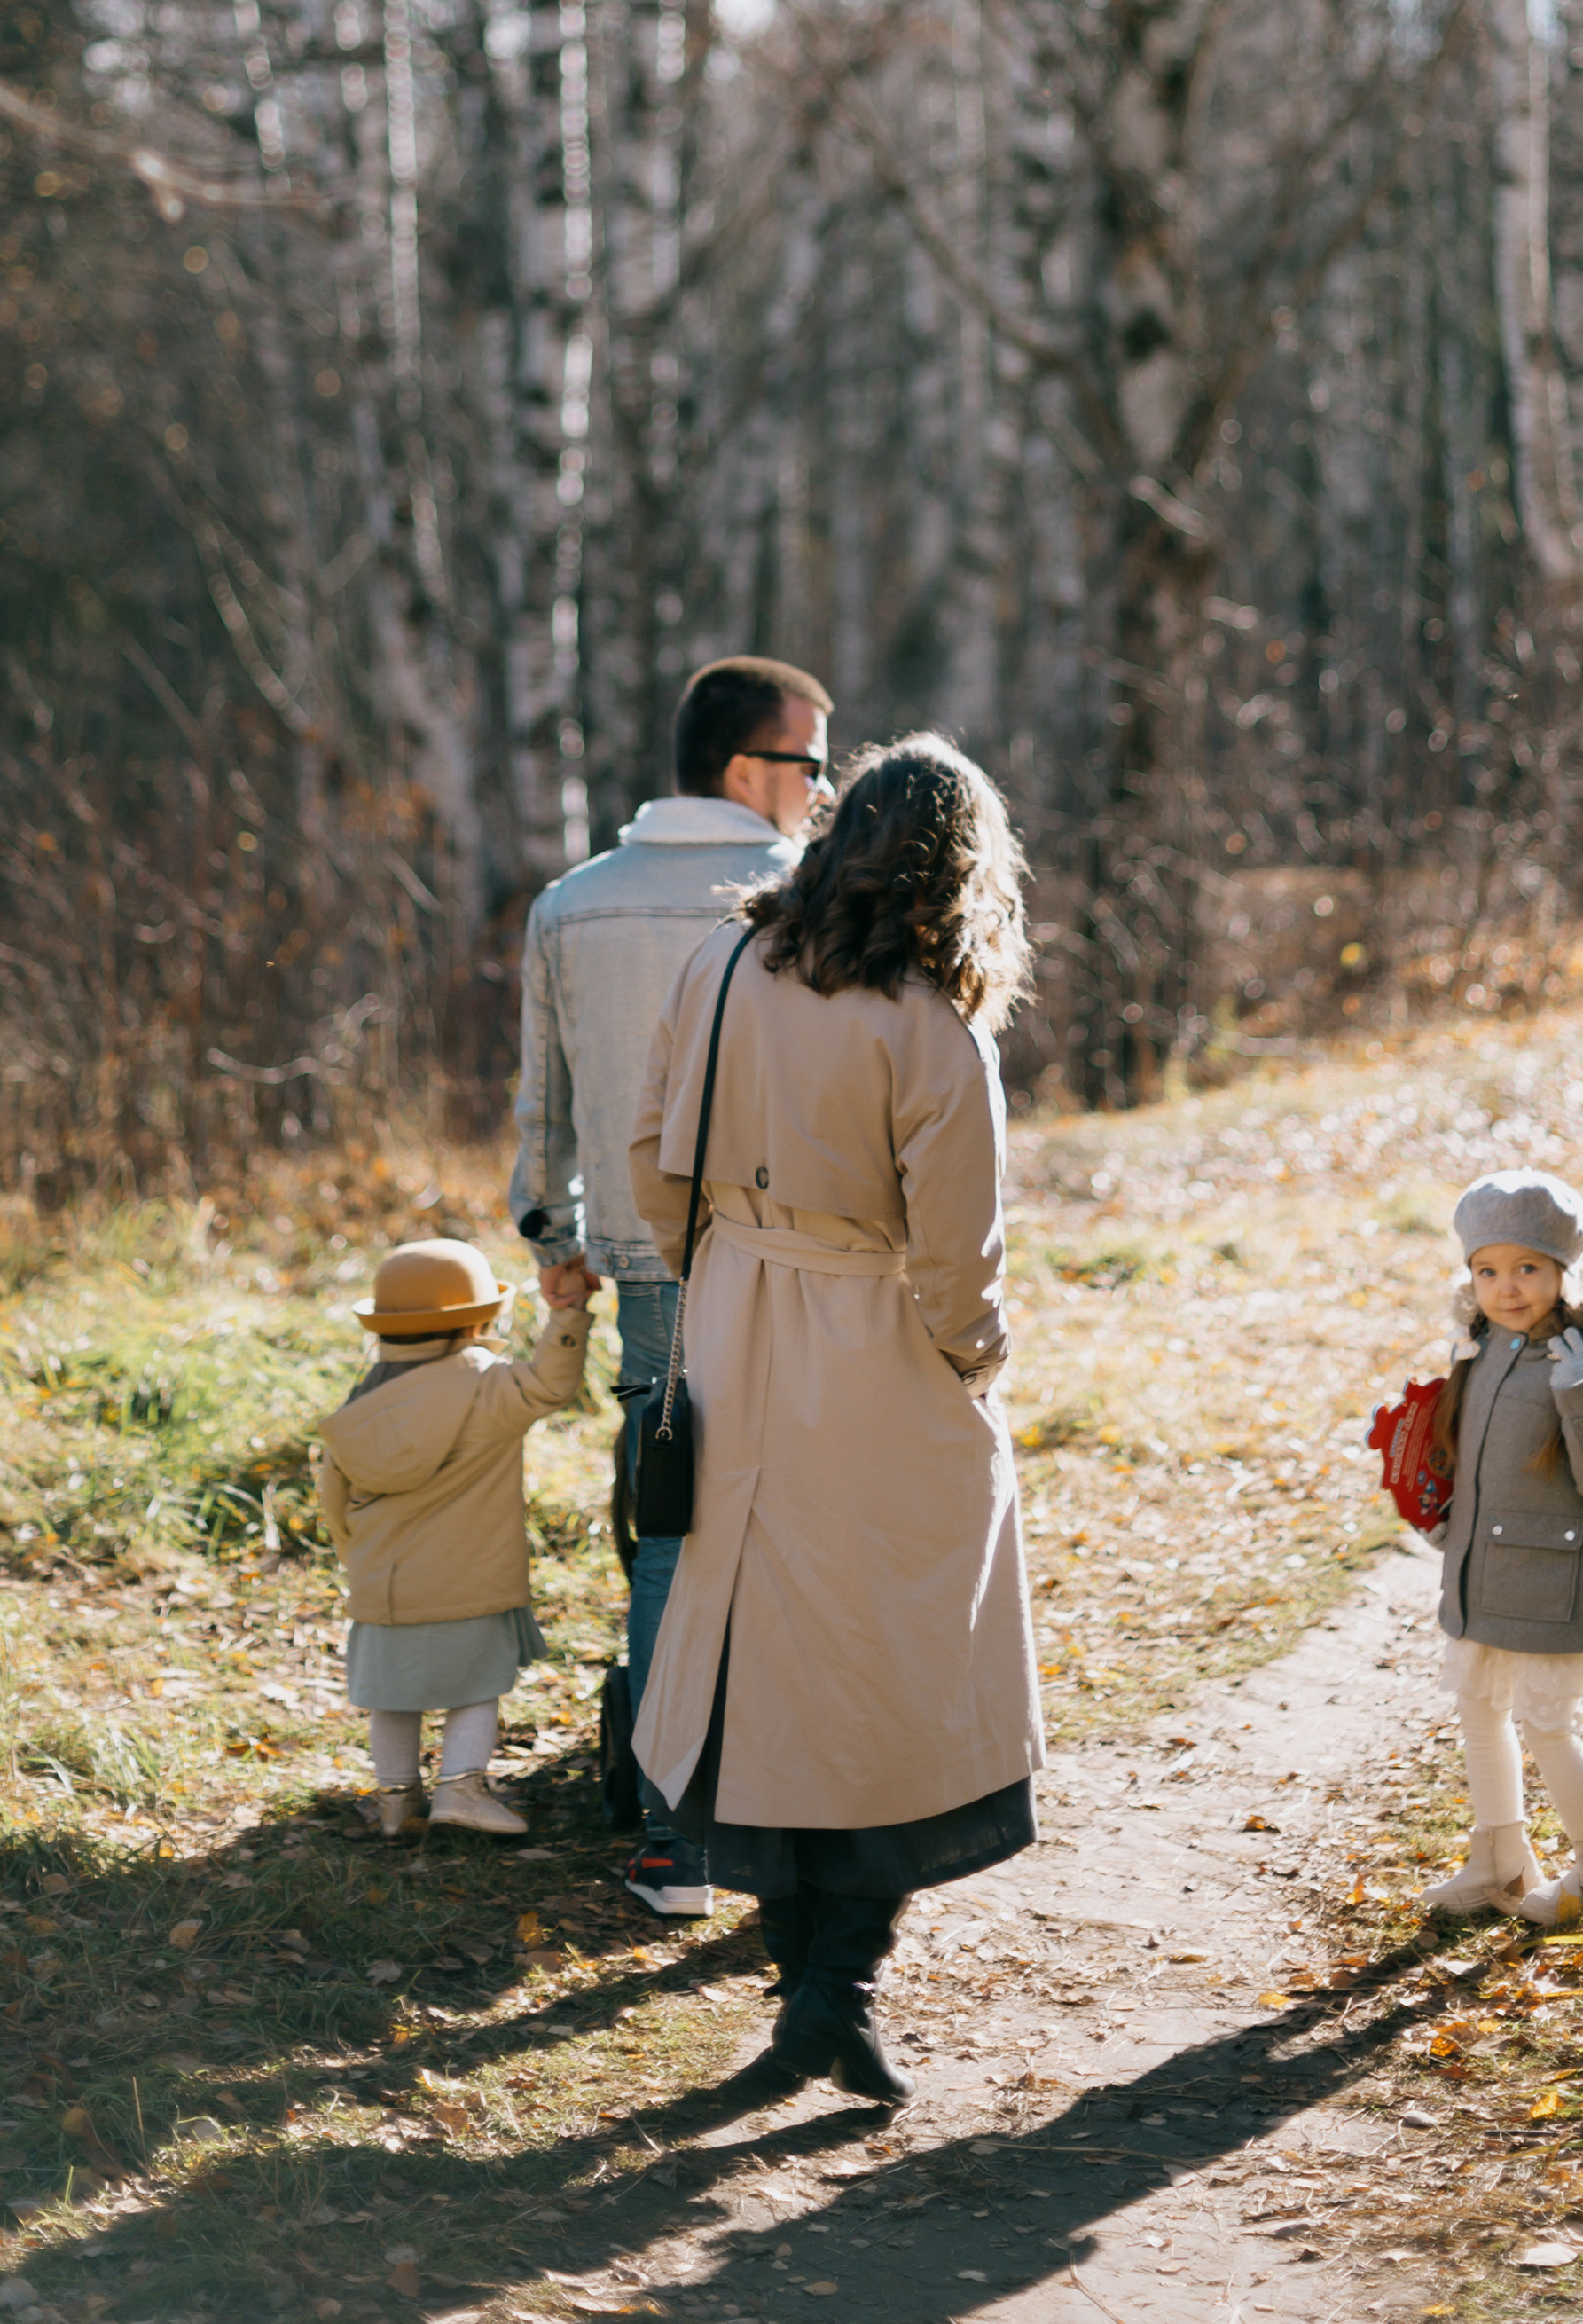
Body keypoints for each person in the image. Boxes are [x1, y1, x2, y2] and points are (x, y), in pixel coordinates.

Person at [626, 733, 1044, 2108]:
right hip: (873, 1345)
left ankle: (807, 1988)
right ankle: (836, 1991)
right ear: (962, 868)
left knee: (760, 1660)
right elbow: (960, 1253)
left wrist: (731, 1262)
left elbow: (652, 1155)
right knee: (891, 1665)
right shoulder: (931, 1017)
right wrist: (971, 1367)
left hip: (737, 1325)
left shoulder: (723, 962)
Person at [509, 652, 833, 1918]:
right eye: (812, 761)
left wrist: (554, 1231)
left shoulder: (571, 902)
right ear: (749, 768)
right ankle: (787, 1809)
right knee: (795, 1524)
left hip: (643, 1256)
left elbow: (546, 1094)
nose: (822, 787)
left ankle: (672, 1836)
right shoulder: (800, 896)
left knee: (668, 1520)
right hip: (791, 1253)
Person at [1423, 1170, 1583, 1928]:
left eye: (1527, 1267)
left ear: (1563, 1270)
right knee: (1479, 1707)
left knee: (1549, 1724)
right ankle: (1500, 1857)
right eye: (1488, 1269)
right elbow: (1472, 1458)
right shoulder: (1482, 1345)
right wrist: (1437, 1507)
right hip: (1483, 1568)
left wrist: (1582, 1385)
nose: (1507, 1287)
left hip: (1557, 1573)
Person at [316, 1237, 590, 1841]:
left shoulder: (364, 1403)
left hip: (384, 1583)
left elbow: (333, 1497)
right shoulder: (486, 1388)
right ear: (479, 1319)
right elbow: (550, 1382)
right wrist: (567, 1315)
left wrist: (357, 1556)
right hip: (470, 1578)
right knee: (475, 1686)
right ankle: (460, 1786)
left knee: (392, 1696)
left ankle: (395, 1797)